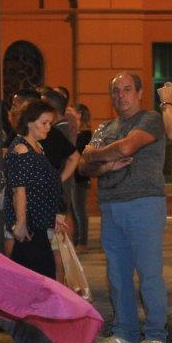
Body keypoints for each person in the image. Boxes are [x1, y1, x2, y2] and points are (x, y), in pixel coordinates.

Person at [84, 73, 168, 343]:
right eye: (116, 90)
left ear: (140, 92)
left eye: (127, 89)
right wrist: (104, 163)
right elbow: (83, 165)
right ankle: (125, 332)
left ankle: (156, 336)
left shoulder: (150, 120)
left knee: (149, 273)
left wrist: (95, 154)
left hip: (144, 203)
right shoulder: (105, 127)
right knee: (117, 274)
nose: (121, 95)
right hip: (110, 205)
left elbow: (127, 147)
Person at [4, 101, 68, 278]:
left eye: (50, 123)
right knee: (43, 274)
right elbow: (19, 189)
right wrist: (21, 222)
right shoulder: (22, 149)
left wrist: (54, 213)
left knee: (24, 274)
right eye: (44, 123)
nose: (48, 127)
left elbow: (41, 185)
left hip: (38, 222)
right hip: (31, 224)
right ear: (29, 123)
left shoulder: (37, 147)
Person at [71, 103, 94, 248]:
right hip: (74, 176)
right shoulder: (78, 133)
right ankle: (76, 239)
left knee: (80, 210)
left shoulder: (85, 134)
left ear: (79, 114)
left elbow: (80, 154)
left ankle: (82, 242)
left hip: (80, 177)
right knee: (74, 210)